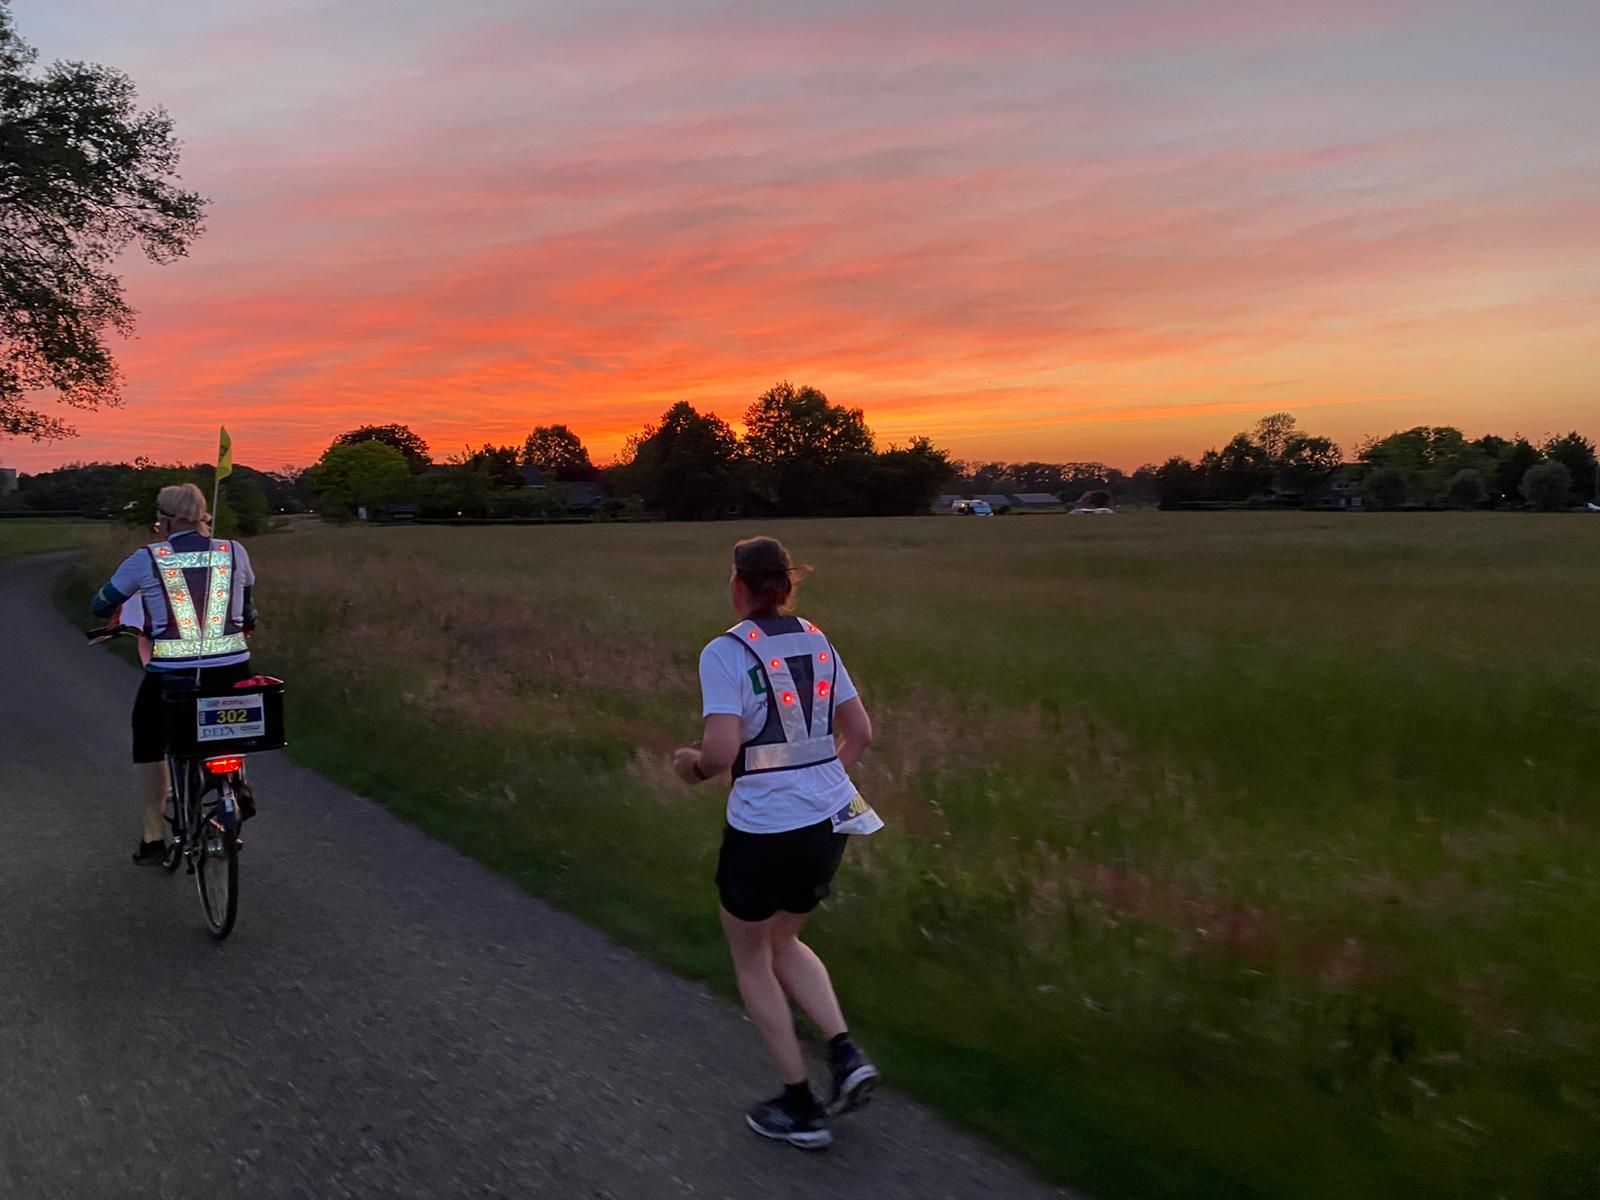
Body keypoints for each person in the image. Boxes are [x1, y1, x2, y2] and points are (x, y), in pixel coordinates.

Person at [673, 536, 883, 1150]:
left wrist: (689, 766)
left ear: (739, 586)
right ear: (787, 586)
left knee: (752, 957)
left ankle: (800, 1106)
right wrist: (819, 780)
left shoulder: (726, 650)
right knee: (787, 936)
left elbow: (720, 753)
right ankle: (845, 1055)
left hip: (763, 827)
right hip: (829, 818)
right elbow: (861, 733)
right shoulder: (818, 639)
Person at [90, 484, 258, 863]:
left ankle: (153, 838)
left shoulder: (146, 559)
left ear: (164, 520)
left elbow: (101, 603)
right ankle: (236, 783)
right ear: (203, 517)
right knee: (232, 719)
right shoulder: (235, 551)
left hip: (172, 675)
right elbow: (249, 612)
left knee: (148, 737)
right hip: (231, 666)